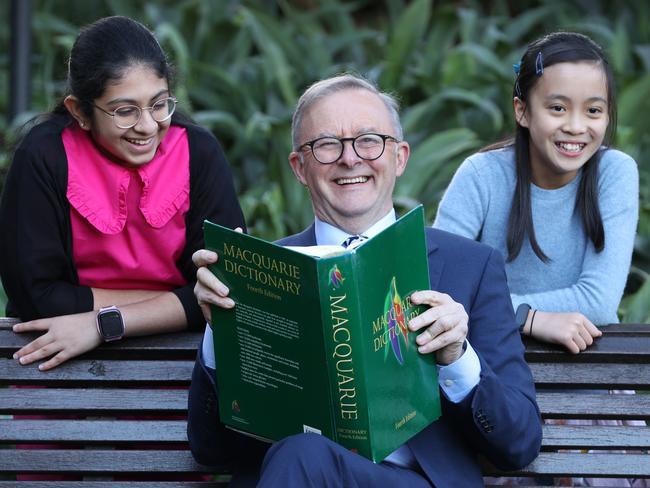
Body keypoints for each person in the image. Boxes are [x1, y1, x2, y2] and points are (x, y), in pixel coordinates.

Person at [187, 74, 542, 487]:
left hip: (416, 482)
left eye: (369, 140)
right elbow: (210, 450)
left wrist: (457, 359)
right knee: (303, 453)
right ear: (299, 167)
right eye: (326, 145)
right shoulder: (262, 273)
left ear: (400, 157)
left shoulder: (470, 266)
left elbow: (520, 443)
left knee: (305, 454)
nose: (350, 159)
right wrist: (221, 331)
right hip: (296, 475)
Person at [0, 16, 245, 371]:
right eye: (125, 111)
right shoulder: (45, 156)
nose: (147, 126)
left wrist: (105, 324)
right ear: (80, 111)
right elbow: (38, 298)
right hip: (58, 366)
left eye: (159, 104)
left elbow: (227, 291)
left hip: (182, 367)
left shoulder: (199, 153)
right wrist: (179, 301)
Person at [434, 32, 639, 354]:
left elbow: (599, 301)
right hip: (492, 364)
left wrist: (491, 308)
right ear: (522, 111)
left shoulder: (614, 173)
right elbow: (438, 289)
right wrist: (526, 318)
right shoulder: (481, 175)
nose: (575, 126)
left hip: (590, 370)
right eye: (558, 108)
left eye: (593, 111)